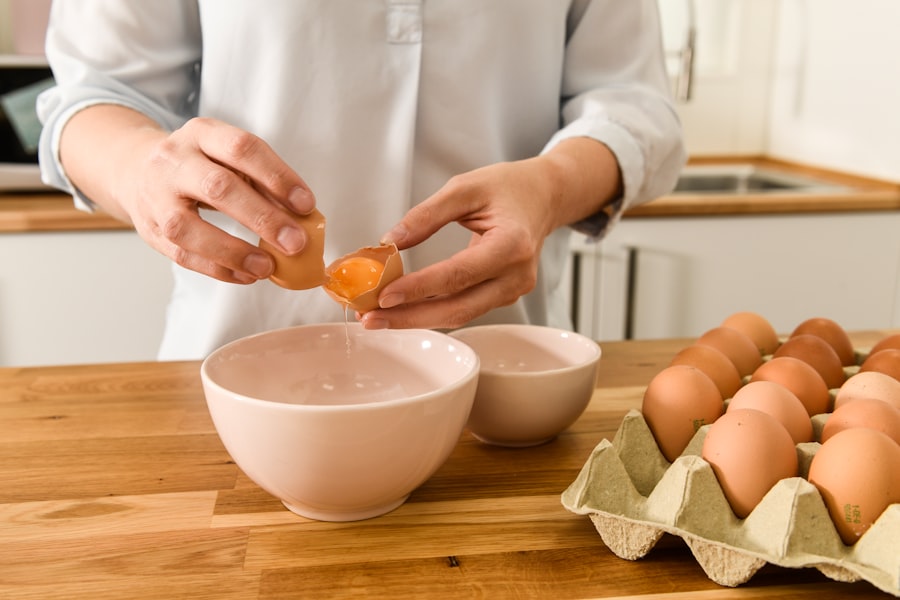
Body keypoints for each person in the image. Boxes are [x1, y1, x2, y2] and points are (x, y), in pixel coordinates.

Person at [38, 1, 686, 361]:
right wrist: (139, 166)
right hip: (237, 368)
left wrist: (551, 186)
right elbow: (93, 96)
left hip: (500, 383)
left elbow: (634, 101)